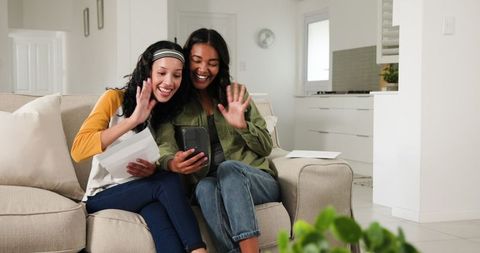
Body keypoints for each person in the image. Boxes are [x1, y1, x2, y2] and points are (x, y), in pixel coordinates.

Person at [70, 40, 207, 253]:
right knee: (167, 182)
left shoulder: (164, 113)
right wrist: (132, 120)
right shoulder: (113, 99)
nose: (169, 82)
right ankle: (199, 251)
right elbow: (78, 150)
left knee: (158, 215)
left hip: (143, 191)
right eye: (161, 73)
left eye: (177, 75)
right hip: (102, 195)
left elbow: (161, 158)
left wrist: (153, 169)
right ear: (147, 71)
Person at [156, 28, 280, 253]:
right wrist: (173, 162)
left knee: (229, 169)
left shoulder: (236, 94)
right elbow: (165, 147)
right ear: (186, 61)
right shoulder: (173, 102)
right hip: (207, 181)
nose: (203, 69)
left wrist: (242, 126)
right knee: (204, 188)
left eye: (212, 62)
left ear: (221, 65)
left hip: (254, 180)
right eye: (196, 60)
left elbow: (265, 146)